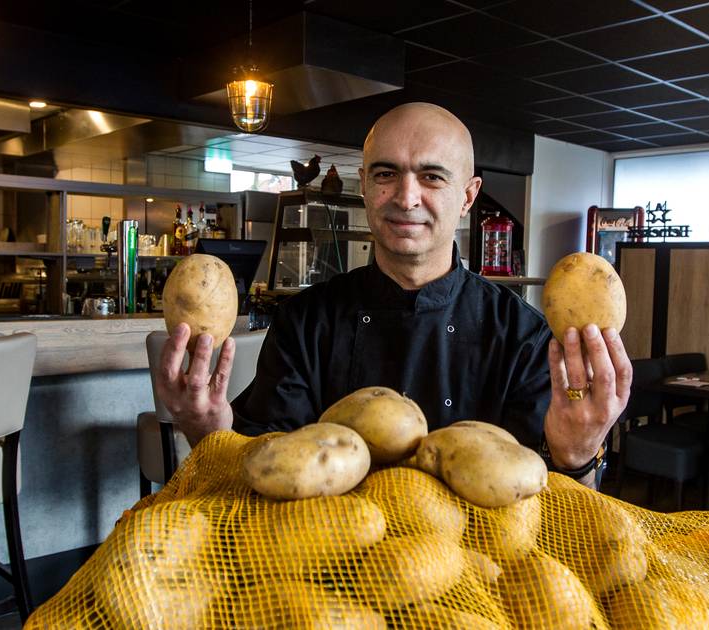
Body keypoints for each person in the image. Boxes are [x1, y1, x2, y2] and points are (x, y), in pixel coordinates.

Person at [155, 102, 632, 484]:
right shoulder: (306, 322)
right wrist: (206, 430)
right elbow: (261, 470)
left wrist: (578, 454)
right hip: (328, 574)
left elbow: (552, 512)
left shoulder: (522, 336)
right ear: (364, 186)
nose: (406, 198)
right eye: (386, 174)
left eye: (431, 176)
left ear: (468, 196)